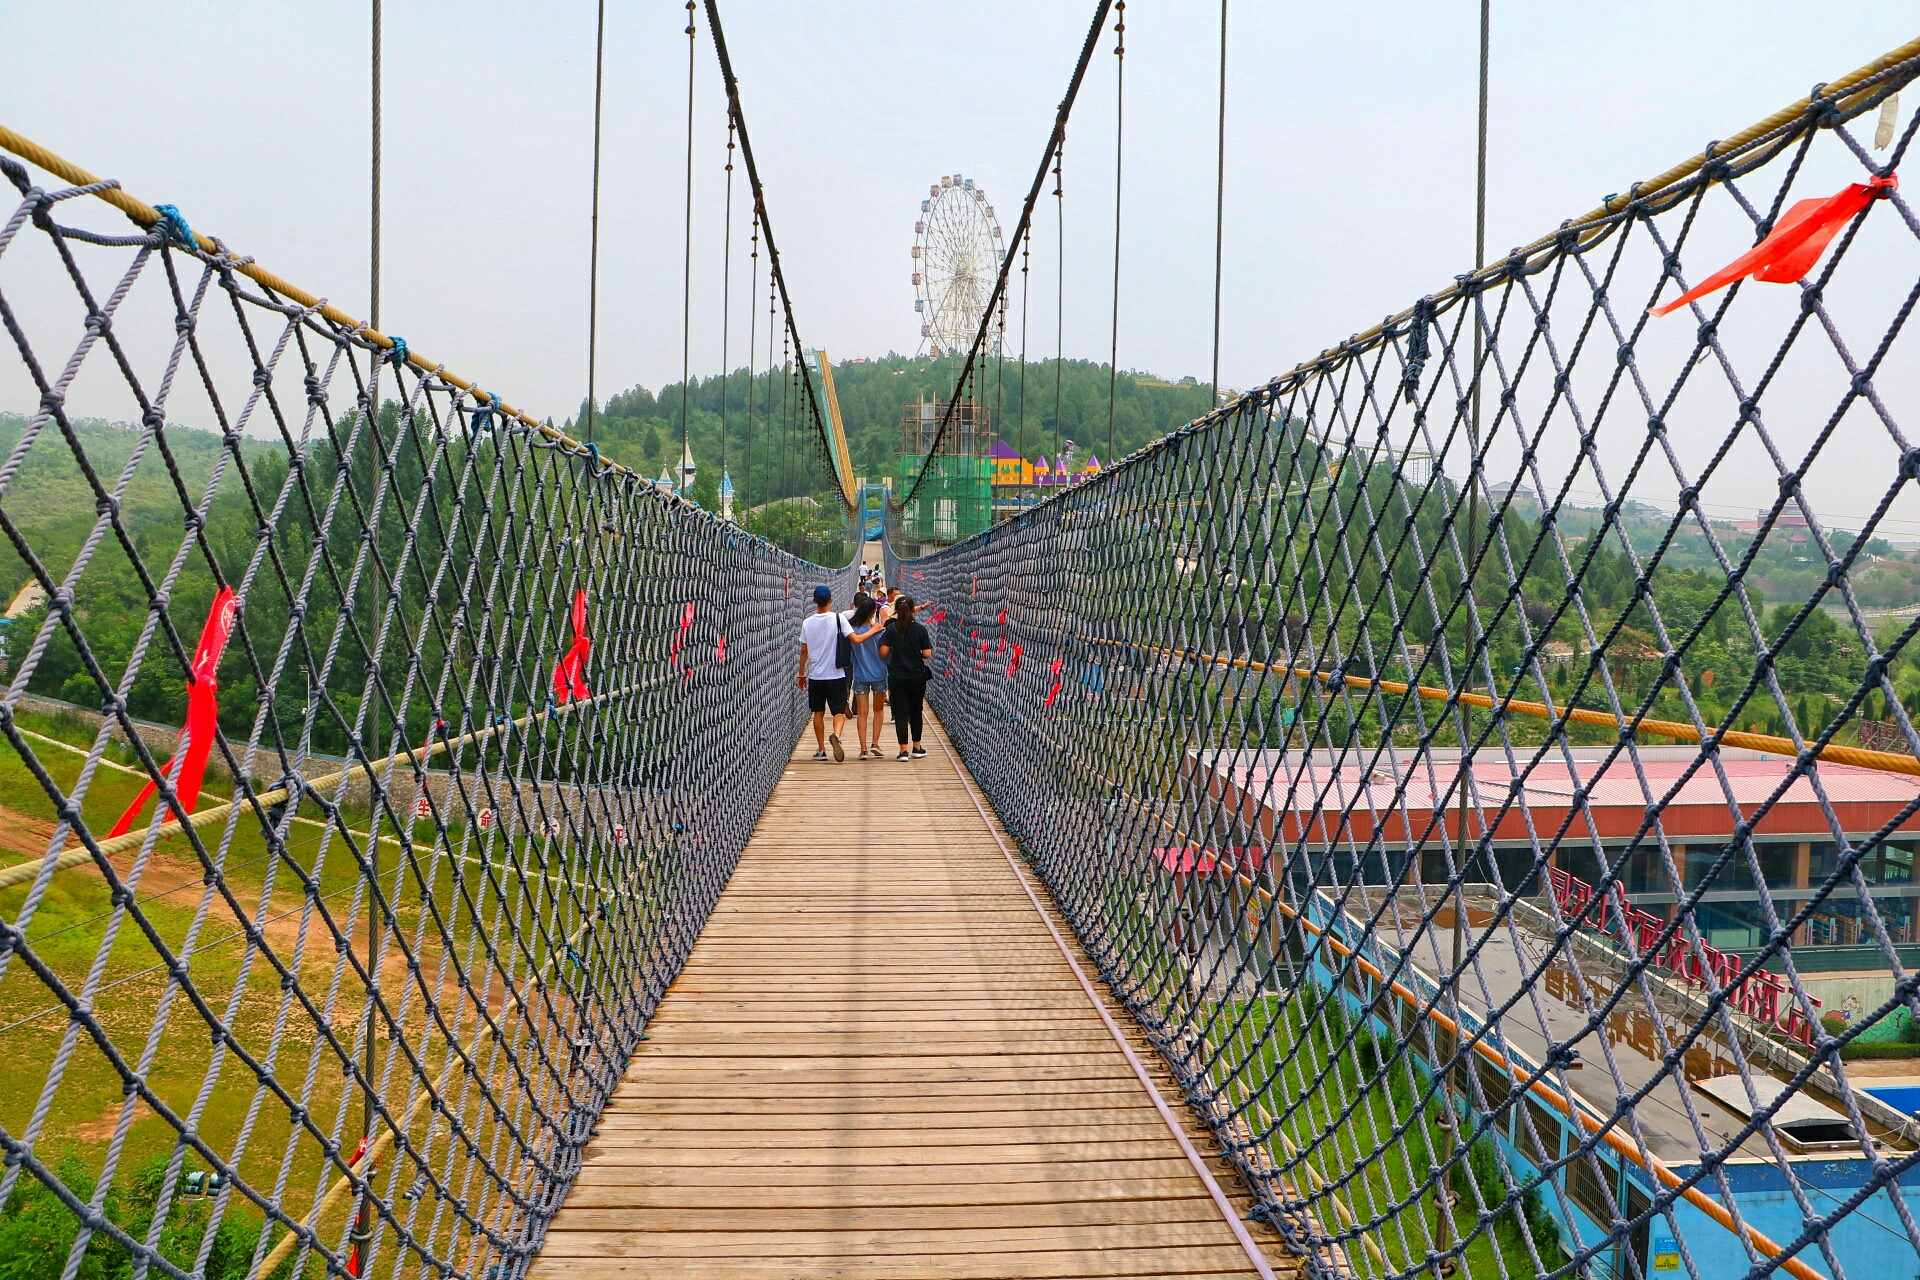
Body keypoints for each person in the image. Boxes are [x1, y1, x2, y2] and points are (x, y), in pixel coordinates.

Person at [796, 584, 852, 761]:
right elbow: (854, 639)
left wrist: (801, 674)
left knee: (818, 712)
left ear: (814, 601)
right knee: (838, 713)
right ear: (831, 601)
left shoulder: (807, 623)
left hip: (816, 676)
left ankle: (821, 750)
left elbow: (804, 651)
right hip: (836, 674)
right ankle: (836, 734)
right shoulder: (839, 619)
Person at [879, 593, 933, 760]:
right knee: (916, 711)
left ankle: (903, 751)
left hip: (897, 676)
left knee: (901, 713)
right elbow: (927, 654)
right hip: (917, 676)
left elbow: (883, 652)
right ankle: (917, 747)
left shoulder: (891, 629)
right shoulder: (920, 629)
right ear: (912, 610)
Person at [844, 593, 889, 758]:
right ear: (872, 613)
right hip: (879, 674)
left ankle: (863, 749)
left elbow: (850, 657)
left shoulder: (853, 631)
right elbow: (885, 654)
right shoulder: (879, 631)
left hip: (861, 675)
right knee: (878, 710)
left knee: (862, 713)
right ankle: (875, 743)